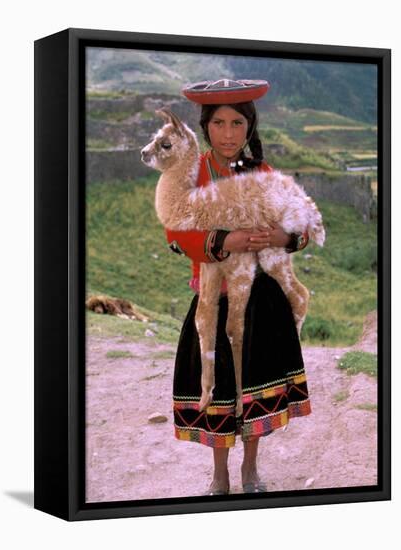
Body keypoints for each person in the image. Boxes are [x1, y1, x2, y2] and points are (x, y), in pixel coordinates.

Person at [165, 79, 311, 496]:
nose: (228, 133)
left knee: (254, 390)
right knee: (219, 394)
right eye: (219, 123)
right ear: (205, 128)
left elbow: (298, 222)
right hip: (215, 299)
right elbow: (175, 233)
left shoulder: (263, 174)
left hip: (262, 301)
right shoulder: (190, 174)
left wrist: (282, 238)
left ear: (249, 128)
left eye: (237, 123)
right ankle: (219, 474)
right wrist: (223, 241)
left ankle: (249, 468)